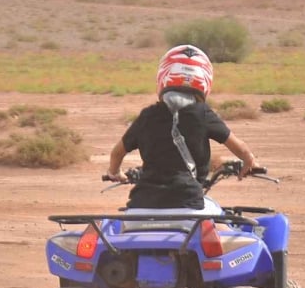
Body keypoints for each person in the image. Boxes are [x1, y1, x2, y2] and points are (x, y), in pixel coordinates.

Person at [106, 44, 258, 211]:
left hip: (140, 207)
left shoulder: (147, 116)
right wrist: (249, 162)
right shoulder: (203, 114)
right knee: (222, 227)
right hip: (188, 208)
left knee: (117, 230)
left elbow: (117, 152)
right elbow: (240, 148)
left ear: (163, 77)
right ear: (205, 81)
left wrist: (115, 173)